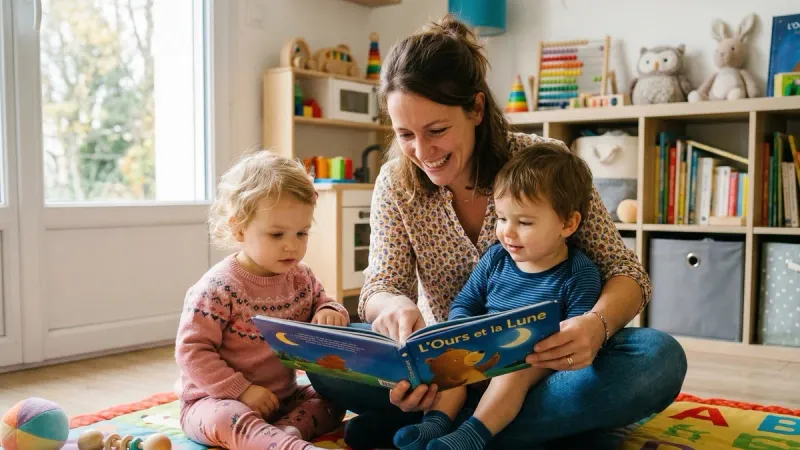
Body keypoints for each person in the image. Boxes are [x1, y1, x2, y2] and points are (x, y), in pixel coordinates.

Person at [307, 13, 688, 450]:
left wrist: (595, 327)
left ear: (476, 109)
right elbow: (380, 286)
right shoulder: (396, 183)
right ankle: (525, 432)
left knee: (657, 359)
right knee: (327, 363)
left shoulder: (544, 163)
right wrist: (392, 308)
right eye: (405, 134)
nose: (422, 152)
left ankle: (454, 430)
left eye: (437, 131)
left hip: (539, 368)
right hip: (447, 372)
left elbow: (625, 272)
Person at [393, 142, 603, 450]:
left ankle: (471, 437)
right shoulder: (495, 259)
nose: (507, 232)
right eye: (503, 219)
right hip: (483, 356)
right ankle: (434, 425)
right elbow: (465, 302)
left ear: (568, 224)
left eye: (525, 222)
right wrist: (461, 331)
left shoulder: (578, 273)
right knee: (451, 364)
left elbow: (577, 337)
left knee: (514, 374)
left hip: (535, 367)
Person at [174, 151, 350, 450]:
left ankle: (283, 433)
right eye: (276, 234)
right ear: (238, 228)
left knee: (333, 400)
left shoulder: (301, 277)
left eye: (302, 232)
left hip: (282, 398)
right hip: (216, 401)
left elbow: (324, 302)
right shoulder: (218, 288)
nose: (291, 245)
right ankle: (282, 444)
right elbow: (192, 351)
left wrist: (330, 311)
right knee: (227, 419)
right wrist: (241, 391)